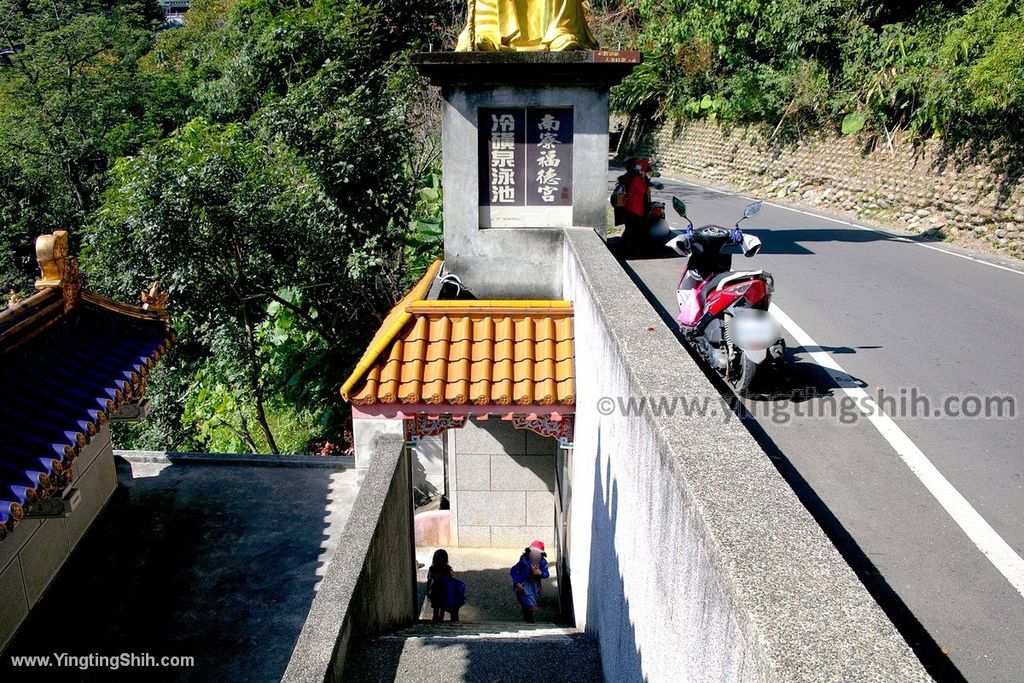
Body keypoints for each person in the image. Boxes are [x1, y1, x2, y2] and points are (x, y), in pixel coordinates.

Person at [510, 540, 550, 623]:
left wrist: (541, 573)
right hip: (523, 584)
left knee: (531, 600)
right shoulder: (524, 560)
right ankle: (529, 617)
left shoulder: (542, 562)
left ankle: (528, 616)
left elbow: (546, 574)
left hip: (534, 585)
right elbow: (514, 570)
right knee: (526, 601)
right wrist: (517, 582)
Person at [426, 549, 465, 622]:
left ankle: (435, 622)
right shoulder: (447, 568)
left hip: (435, 591)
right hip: (445, 590)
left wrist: (428, 591)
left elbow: (429, 580)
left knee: (436, 608)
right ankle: (444, 620)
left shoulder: (432, 569)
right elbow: (452, 578)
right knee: (443, 607)